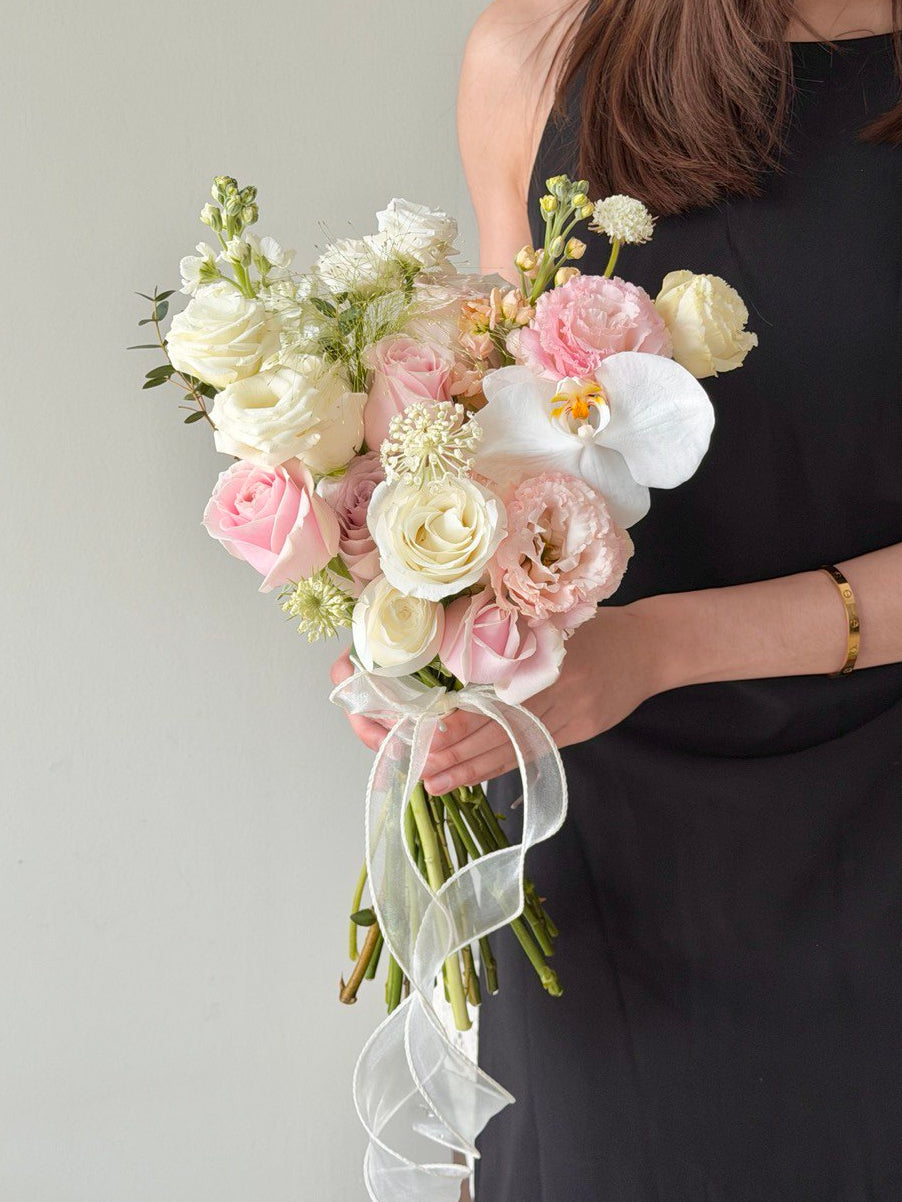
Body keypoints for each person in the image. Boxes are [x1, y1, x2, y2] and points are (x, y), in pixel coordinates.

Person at [334, 1, 902, 1196]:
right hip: (611, 845)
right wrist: (426, 637)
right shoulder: (535, 51)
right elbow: (493, 436)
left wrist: (651, 648)